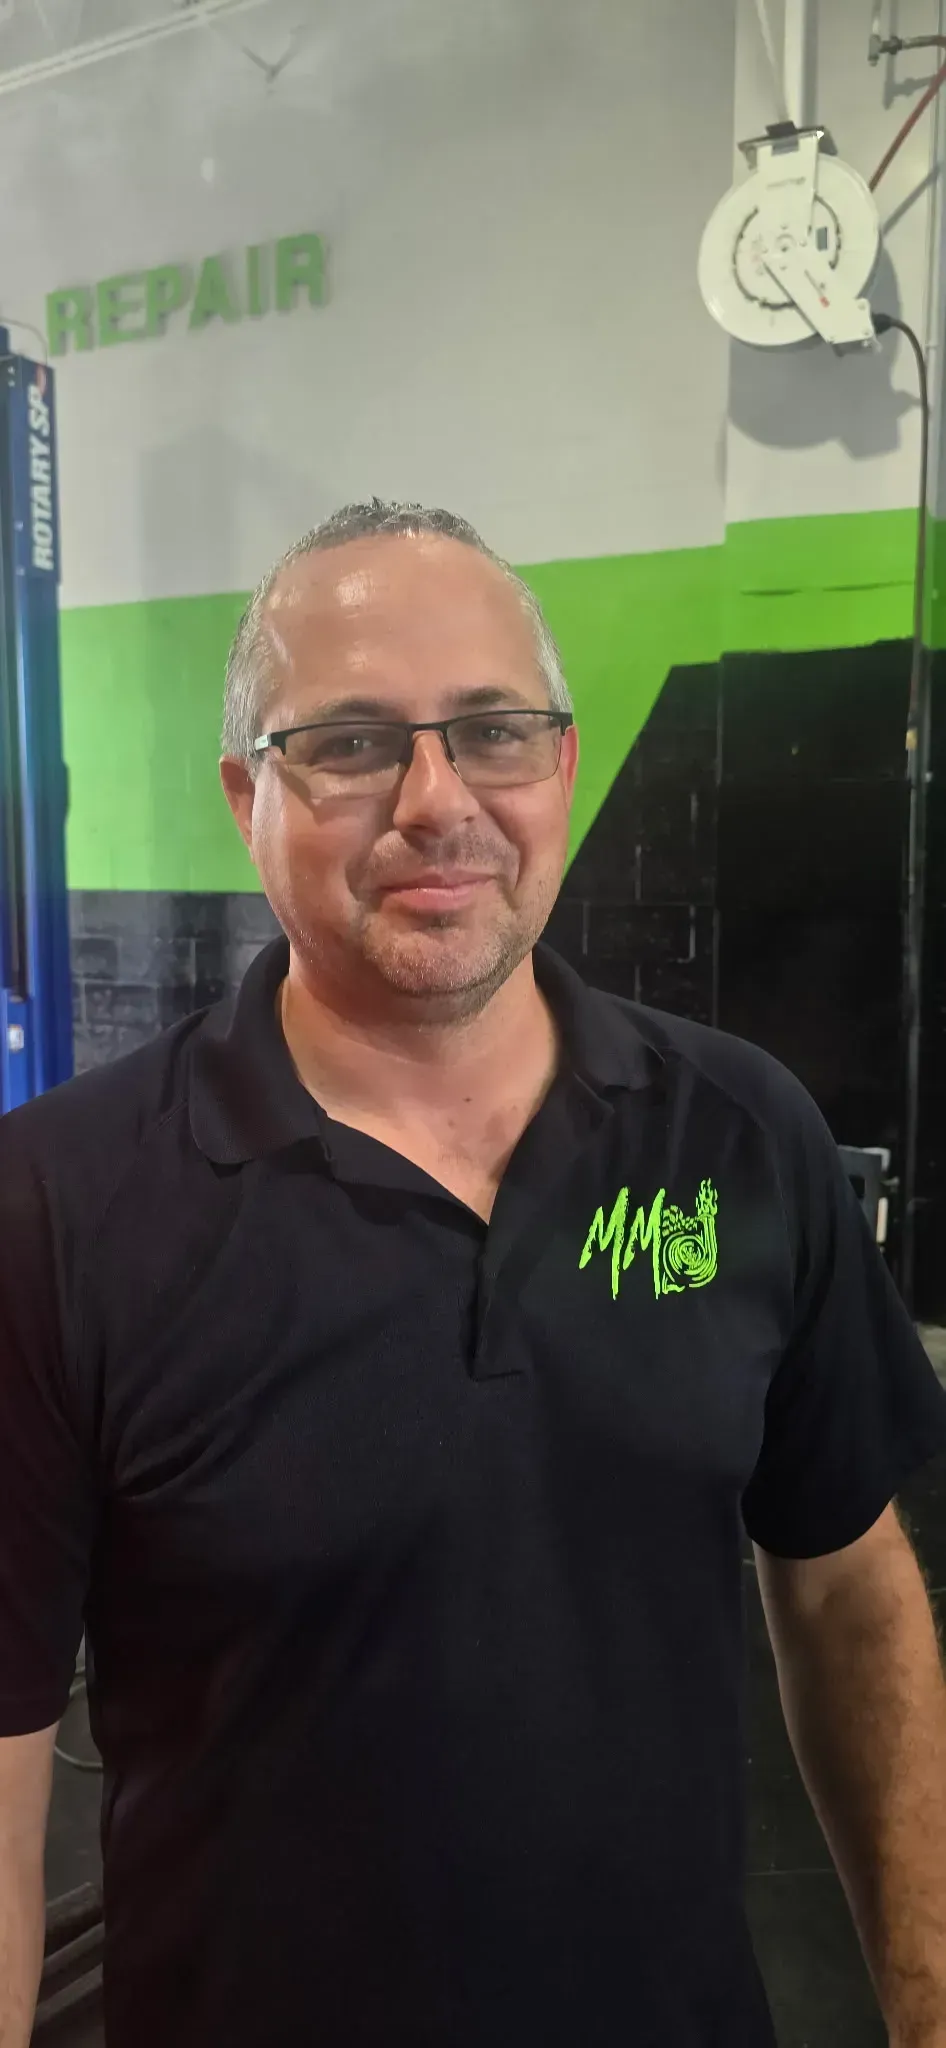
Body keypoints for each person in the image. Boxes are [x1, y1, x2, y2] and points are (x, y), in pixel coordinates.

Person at [1, 500, 946, 2048]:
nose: (436, 801)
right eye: (351, 743)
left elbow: (847, 1588)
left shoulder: (737, 1133)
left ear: (560, 769)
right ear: (248, 796)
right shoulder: (53, 1210)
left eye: (493, 731)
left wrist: (922, 2008)